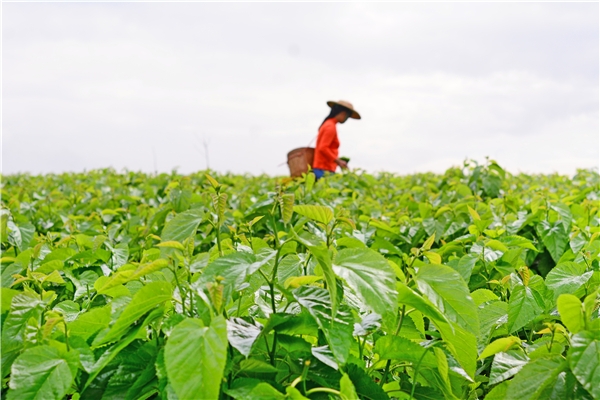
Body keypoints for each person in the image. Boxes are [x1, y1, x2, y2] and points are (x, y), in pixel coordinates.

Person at [312, 100, 361, 180]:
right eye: (347, 117)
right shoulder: (330, 127)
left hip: (323, 167)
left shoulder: (328, 124)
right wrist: (338, 161)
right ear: (343, 114)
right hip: (324, 168)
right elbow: (323, 148)